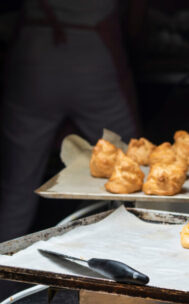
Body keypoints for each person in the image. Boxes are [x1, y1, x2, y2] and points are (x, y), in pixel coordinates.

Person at [0, 0, 144, 242]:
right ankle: (134, 250)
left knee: (17, 186)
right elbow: (136, 22)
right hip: (91, 50)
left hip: (35, 50)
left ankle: (4, 275)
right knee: (131, 164)